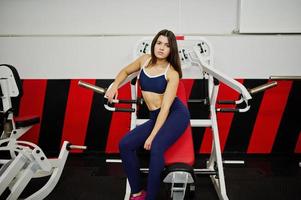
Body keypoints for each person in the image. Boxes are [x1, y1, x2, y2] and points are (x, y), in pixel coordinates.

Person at [105, 29, 190, 200]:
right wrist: (115, 85)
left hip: (175, 115)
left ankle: (151, 197)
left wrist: (151, 136)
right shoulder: (145, 60)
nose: (161, 48)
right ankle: (137, 192)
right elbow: (125, 71)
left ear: (171, 50)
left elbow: (165, 108)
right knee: (125, 144)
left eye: (166, 45)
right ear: (154, 44)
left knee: (156, 146)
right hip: (156, 115)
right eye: (159, 43)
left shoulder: (172, 73)